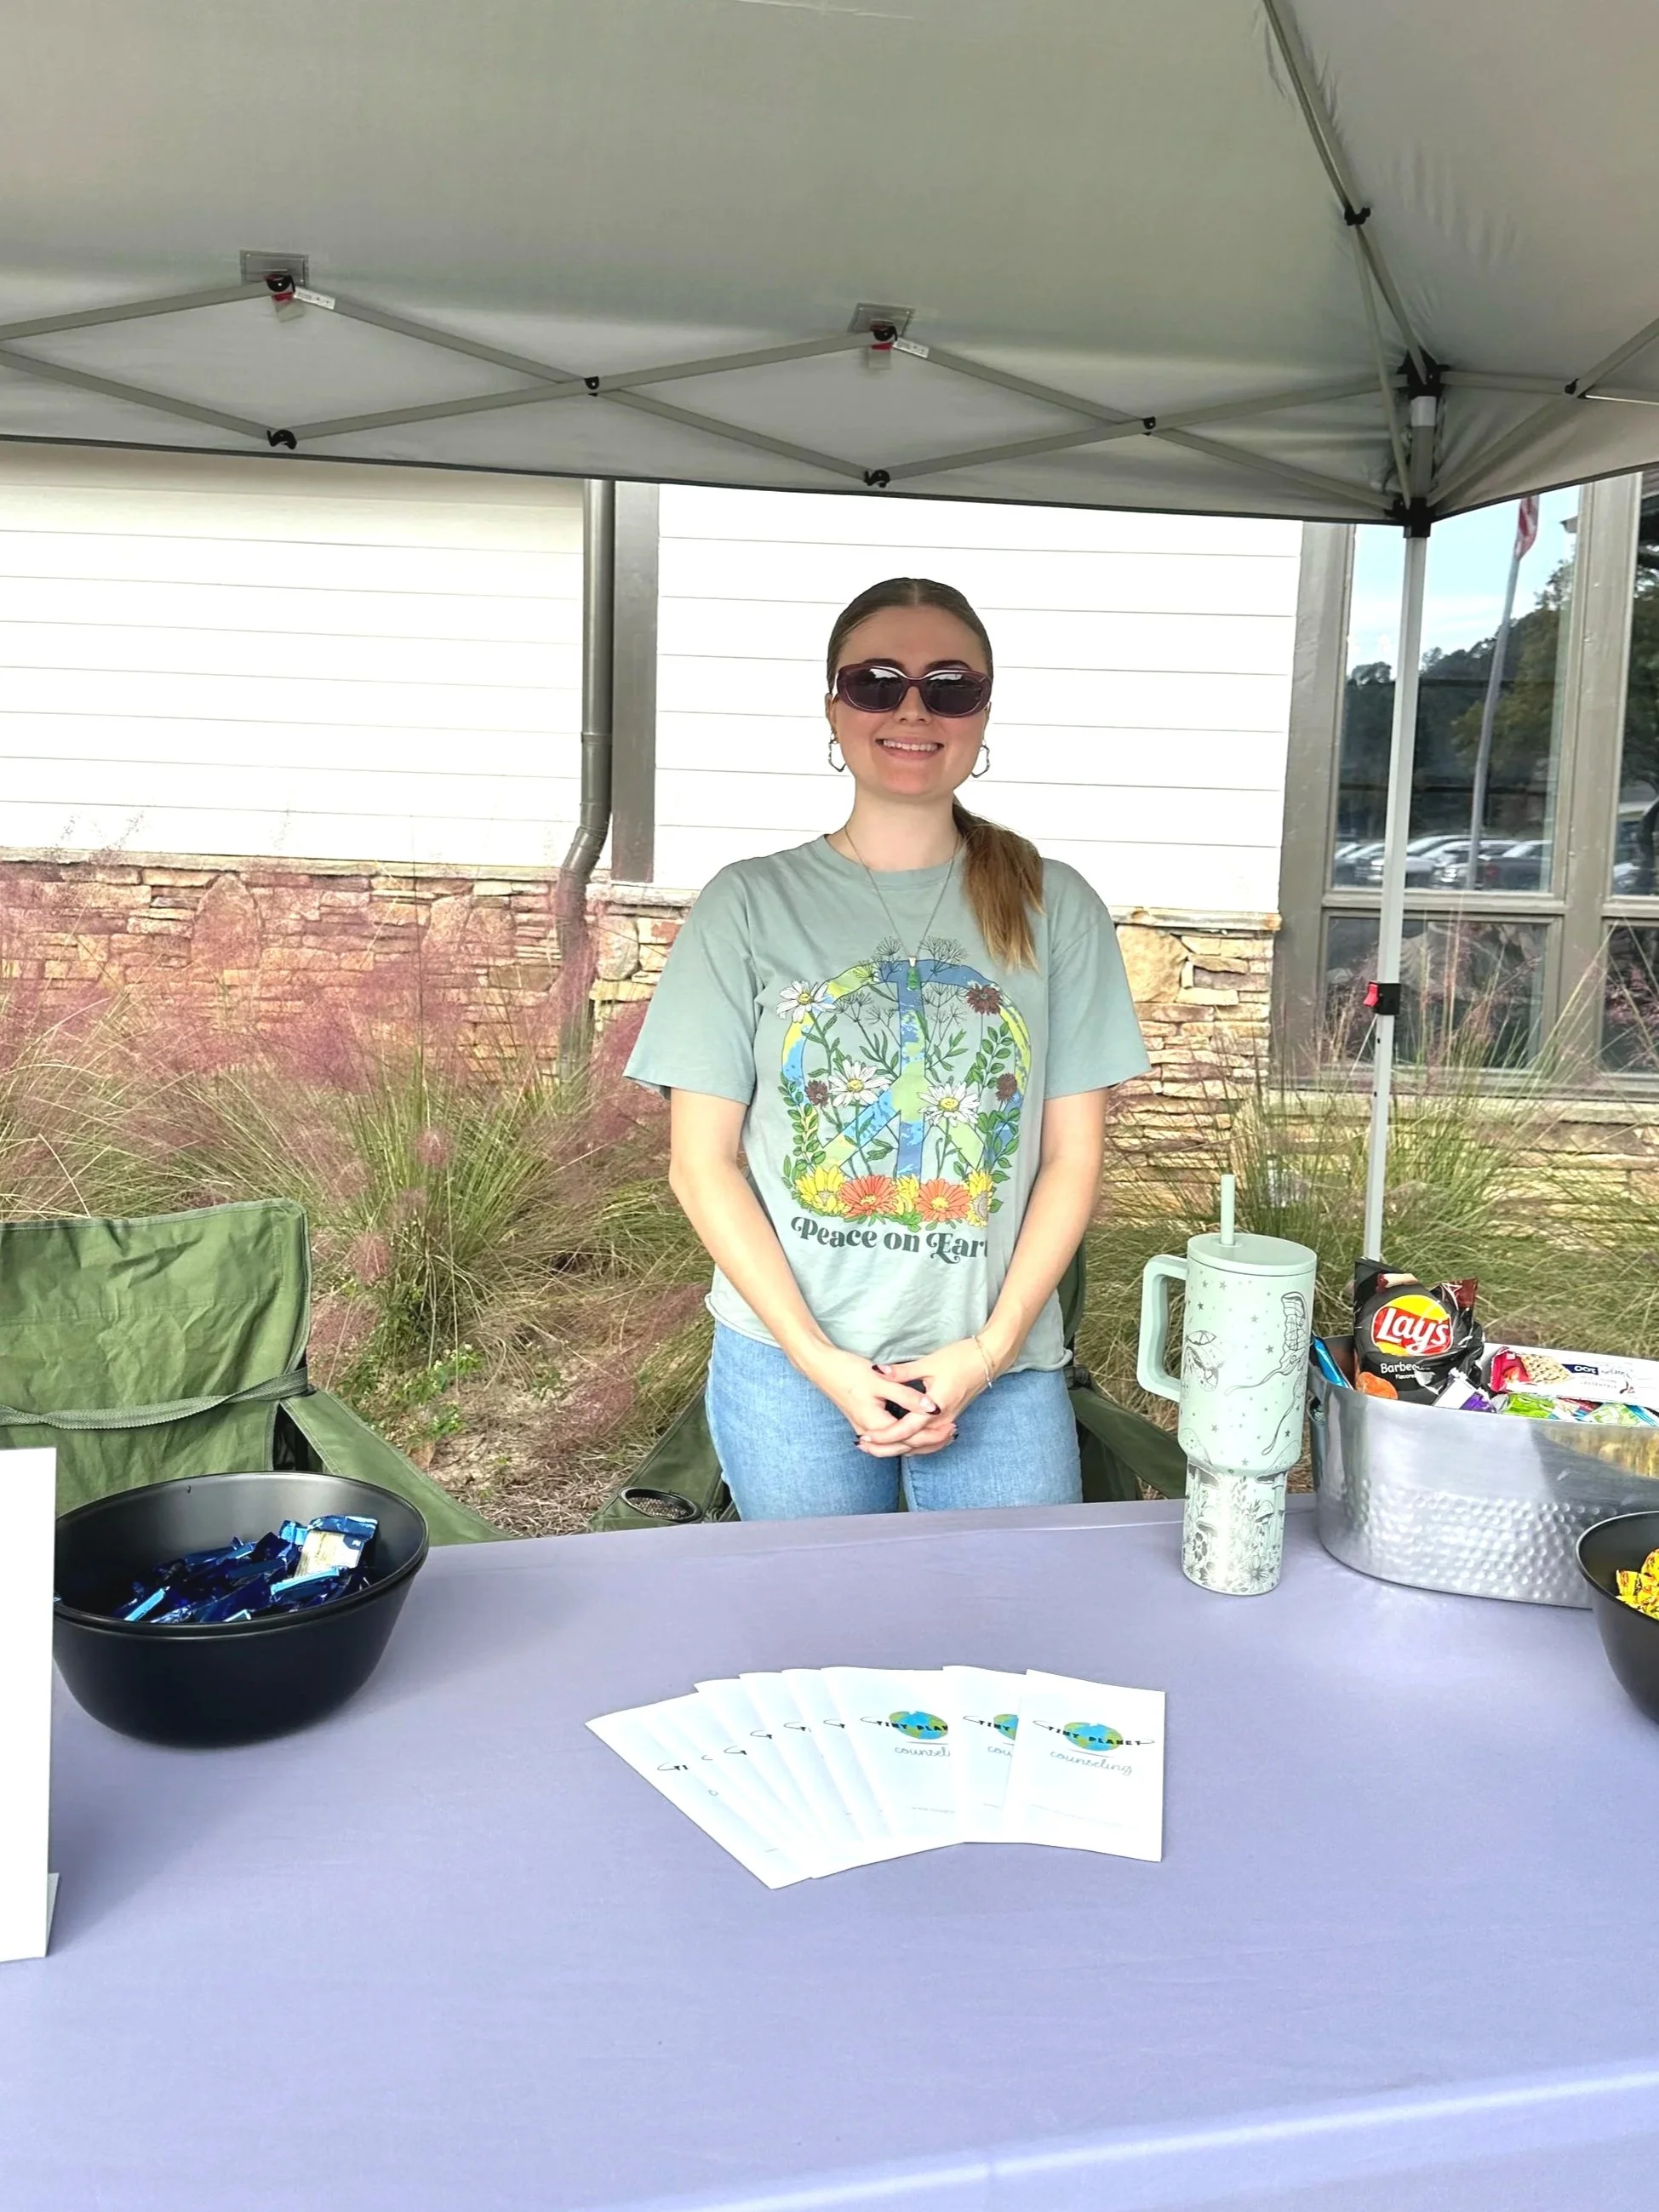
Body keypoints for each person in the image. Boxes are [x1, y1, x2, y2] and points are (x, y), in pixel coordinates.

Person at [625, 576, 1149, 1518]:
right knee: (818, 1640)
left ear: (983, 711)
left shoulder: (1052, 902)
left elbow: (1071, 1160)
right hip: (787, 1362)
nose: (912, 707)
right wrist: (818, 1359)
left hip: (998, 1364)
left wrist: (985, 1355)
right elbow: (700, 1164)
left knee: (1003, 1639)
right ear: (832, 705)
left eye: (949, 685)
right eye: (875, 680)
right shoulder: (745, 904)